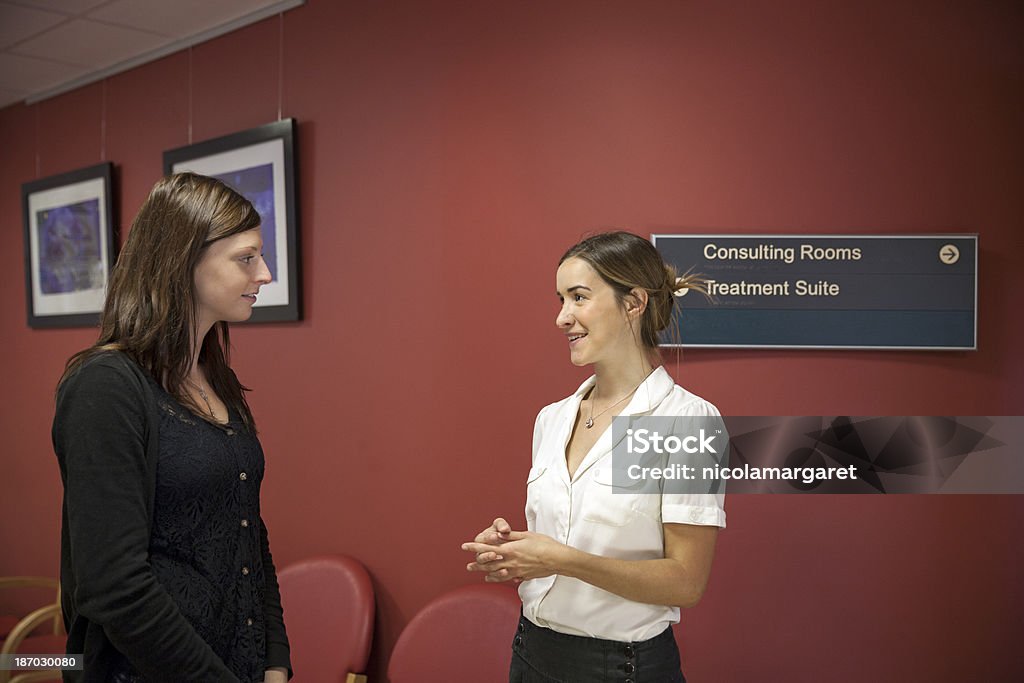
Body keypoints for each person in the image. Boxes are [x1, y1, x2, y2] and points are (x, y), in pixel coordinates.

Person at [52, 173, 290, 683]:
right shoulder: (106, 387)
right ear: (185, 260)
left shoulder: (218, 380)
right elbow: (113, 584)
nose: (265, 274)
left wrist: (275, 661)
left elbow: (248, 534)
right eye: (246, 258)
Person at [462, 231, 725, 682]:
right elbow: (568, 535)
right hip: (530, 653)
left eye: (579, 297)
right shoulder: (554, 417)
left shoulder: (683, 421)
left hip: (619, 668)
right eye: (561, 299)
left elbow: (685, 581)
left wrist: (559, 559)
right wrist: (516, 549)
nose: (562, 317)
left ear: (633, 303)